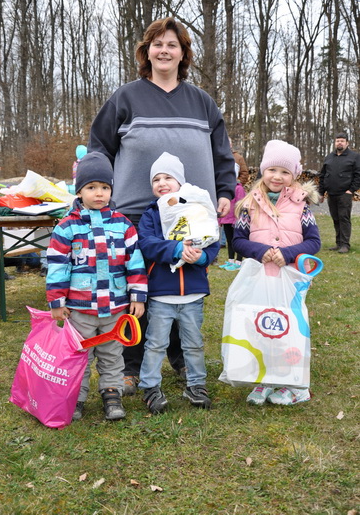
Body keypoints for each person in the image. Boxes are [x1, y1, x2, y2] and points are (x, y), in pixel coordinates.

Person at [88, 17, 236, 395]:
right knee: (138, 289)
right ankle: (132, 366)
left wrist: (224, 190)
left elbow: (222, 155)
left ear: (183, 53)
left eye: (172, 44)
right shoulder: (126, 97)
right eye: (157, 44)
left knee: (181, 285)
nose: (164, 50)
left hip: (190, 214)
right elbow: (99, 148)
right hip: (136, 213)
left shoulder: (201, 101)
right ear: (146, 51)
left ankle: (183, 359)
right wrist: (95, 189)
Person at [46, 152, 147, 422]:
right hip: (80, 307)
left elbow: (134, 262)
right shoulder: (67, 227)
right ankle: (75, 396)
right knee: (79, 353)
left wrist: (137, 295)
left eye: (104, 187)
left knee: (113, 352)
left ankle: (111, 393)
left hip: (115, 304)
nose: (99, 193)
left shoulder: (123, 224)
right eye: (91, 188)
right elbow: (57, 265)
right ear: (79, 192)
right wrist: (57, 301)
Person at [233, 139, 321, 406]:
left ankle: (293, 382)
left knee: (289, 329)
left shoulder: (301, 205)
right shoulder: (250, 203)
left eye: (285, 172)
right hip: (260, 277)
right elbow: (237, 240)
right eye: (272, 170)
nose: (278, 177)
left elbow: (314, 241)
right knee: (261, 326)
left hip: (289, 279)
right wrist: (260, 251)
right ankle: (264, 379)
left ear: (293, 175)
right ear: (263, 170)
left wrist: (288, 253)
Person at [137, 153, 219, 413]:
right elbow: (146, 243)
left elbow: (213, 242)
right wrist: (175, 249)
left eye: (168, 177)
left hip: (192, 294)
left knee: (193, 343)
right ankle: (150, 386)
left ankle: (196, 383)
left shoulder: (197, 210)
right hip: (161, 294)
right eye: (156, 179)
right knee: (155, 344)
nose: (162, 183)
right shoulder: (152, 214)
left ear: (181, 182)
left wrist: (202, 256)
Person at [318, 132, 360, 253]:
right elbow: (323, 175)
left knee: (344, 218)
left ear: (347, 143)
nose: (339, 142)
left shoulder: (354, 157)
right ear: (335, 143)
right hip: (331, 194)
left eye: (342, 140)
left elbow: (358, 175)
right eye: (337, 141)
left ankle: (345, 245)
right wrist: (321, 192)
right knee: (336, 218)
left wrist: (350, 190)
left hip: (344, 194)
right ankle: (338, 243)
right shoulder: (329, 157)